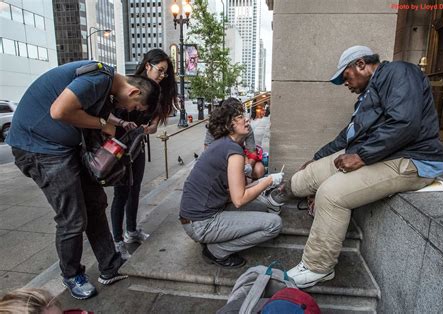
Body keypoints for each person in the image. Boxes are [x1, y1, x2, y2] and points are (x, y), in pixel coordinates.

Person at [261, 45, 443, 288]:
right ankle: (276, 198)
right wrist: (317, 159)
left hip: (412, 159)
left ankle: (318, 267)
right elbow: (346, 138)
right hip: (382, 154)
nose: (345, 84)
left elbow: (405, 123)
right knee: (307, 177)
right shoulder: (367, 96)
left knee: (331, 193)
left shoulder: (400, 73)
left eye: (345, 77)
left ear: (361, 64)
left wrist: (362, 157)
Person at [6, 60, 160, 299]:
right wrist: (101, 123)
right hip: (39, 149)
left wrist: (112, 122)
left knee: (96, 203)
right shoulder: (98, 80)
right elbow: (59, 111)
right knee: (72, 217)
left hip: (62, 148)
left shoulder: (106, 84)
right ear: (134, 91)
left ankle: (110, 265)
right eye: (135, 107)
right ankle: (71, 275)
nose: (129, 110)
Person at [179, 99, 284, 268]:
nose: (247, 119)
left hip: (195, 217)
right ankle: (217, 250)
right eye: (241, 116)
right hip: (201, 223)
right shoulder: (233, 151)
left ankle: (214, 239)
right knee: (274, 224)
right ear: (230, 124)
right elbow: (239, 199)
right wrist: (270, 180)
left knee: (262, 208)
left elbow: (235, 191)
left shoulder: (223, 145)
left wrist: (264, 181)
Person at [110, 49, 177, 259]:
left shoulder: (158, 91)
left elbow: (157, 118)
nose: (162, 75)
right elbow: (109, 111)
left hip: (137, 144)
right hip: (119, 144)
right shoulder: (128, 84)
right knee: (121, 192)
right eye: (160, 70)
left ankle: (131, 230)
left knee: (135, 187)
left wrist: (154, 126)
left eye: (165, 72)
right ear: (148, 65)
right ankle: (117, 240)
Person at [203, 98, 265, 180]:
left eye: (242, 114)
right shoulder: (214, 127)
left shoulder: (245, 128)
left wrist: (248, 166)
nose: (247, 119)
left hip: (239, 157)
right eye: (240, 116)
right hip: (220, 161)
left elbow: (252, 151)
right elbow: (208, 151)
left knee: (259, 169)